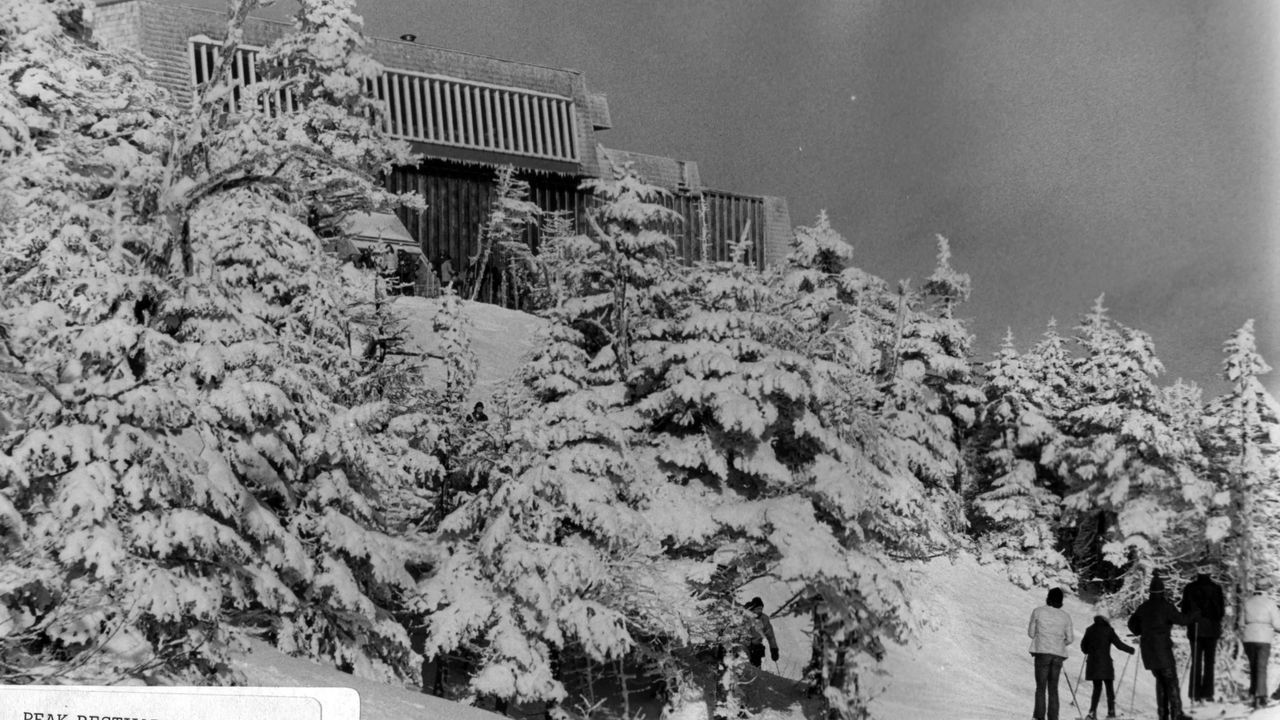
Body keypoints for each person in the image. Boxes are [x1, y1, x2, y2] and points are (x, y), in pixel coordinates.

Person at [1127, 573, 1194, 720]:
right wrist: (1196, 614)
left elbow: (1132, 625)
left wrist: (1141, 630)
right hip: (1162, 650)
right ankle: (1176, 715)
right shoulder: (1166, 607)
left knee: (1161, 682)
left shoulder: (1143, 607)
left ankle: (1163, 715)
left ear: (1150, 592)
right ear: (1163, 591)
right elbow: (1182, 620)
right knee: (1171, 682)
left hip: (1148, 653)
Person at [1178, 571, 1224, 703]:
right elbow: (1221, 612)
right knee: (1210, 662)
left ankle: (1194, 693)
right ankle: (1208, 693)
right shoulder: (1216, 588)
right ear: (1210, 574)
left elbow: (1184, 610)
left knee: (1196, 662)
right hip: (1211, 630)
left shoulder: (1189, 588)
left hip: (1195, 630)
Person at [1028, 587, 1074, 720]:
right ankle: (1054, 717)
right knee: (1053, 688)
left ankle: (1039, 717)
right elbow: (1070, 638)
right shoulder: (1065, 616)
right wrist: (1060, 643)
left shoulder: (1038, 612)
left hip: (1042, 652)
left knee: (1041, 687)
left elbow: (1031, 634)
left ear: (1048, 598)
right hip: (1058, 655)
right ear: (1061, 601)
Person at [1080, 611, 1134, 720]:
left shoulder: (1089, 630)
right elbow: (1118, 644)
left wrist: (1088, 650)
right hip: (1105, 664)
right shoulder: (1108, 630)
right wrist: (1130, 649)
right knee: (1109, 688)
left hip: (1092, 664)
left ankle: (1092, 712)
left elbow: (1083, 647)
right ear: (1106, 619)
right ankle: (1111, 712)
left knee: (1097, 688)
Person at [1242, 585, 1280, 709]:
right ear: (1265, 590)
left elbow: (1240, 623)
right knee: (1261, 667)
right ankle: (1262, 697)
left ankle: (1252, 694)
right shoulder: (1270, 603)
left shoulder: (1247, 602)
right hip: (1264, 638)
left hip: (1249, 638)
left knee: (1253, 666)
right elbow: (1277, 623)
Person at [744, 597, 779, 669]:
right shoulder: (745, 615)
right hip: (744, 645)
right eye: (758, 609)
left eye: (761, 609)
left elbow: (770, 636)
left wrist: (774, 649)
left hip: (756, 647)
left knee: (756, 667)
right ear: (753, 608)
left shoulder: (764, 619)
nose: (760, 611)